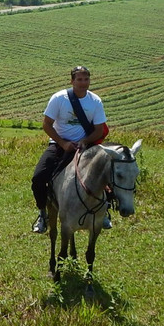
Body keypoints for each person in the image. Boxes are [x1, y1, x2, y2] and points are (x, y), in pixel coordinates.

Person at [30, 66, 108, 233]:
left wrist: (84, 141)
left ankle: (105, 211)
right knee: (38, 178)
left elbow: (99, 130)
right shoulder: (59, 98)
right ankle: (42, 214)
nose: (83, 83)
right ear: (72, 81)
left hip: (86, 145)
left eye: (86, 79)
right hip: (58, 145)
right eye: (79, 79)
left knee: (107, 172)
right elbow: (47, 124)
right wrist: (63, 143)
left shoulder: (95, 101)